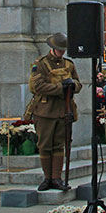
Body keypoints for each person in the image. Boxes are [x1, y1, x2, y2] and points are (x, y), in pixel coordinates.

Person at [27, 32, 82, 191]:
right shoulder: (41, 64)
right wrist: (60, 88)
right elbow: (37, 86)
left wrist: (72, 86)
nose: (62, 52)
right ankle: (47, 178)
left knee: (59, 145)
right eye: (59, 49)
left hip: (64, 110)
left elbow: (78, 83)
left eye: (63, 50)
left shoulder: (68, 64)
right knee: (45, 145)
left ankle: (57, 178)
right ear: (53, 48)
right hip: (45, 110)